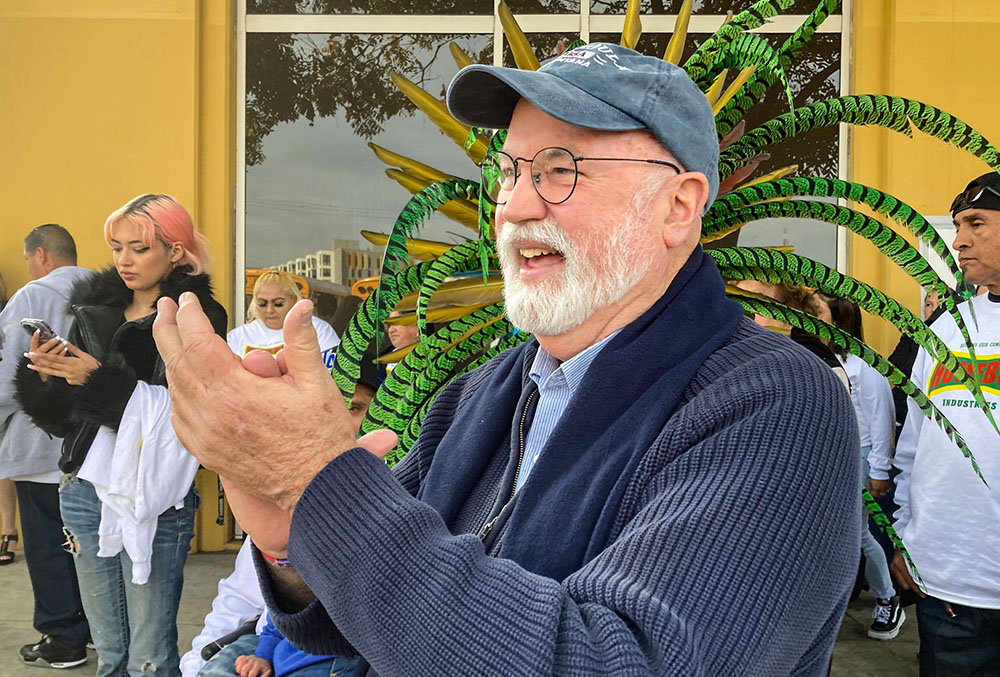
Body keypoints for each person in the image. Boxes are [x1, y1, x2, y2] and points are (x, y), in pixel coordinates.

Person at [153, 44, 860, 675]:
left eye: (561, 169)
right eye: (511, 170)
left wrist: (320, 484)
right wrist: (294, 545)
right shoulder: (480, 395)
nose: (516, 205)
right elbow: (364, 619)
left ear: (678, 207)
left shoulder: (779, 404)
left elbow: (615, 659)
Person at [16, 195, 228, 676]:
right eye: (116, 248)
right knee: (109, 654)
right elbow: (64, 422)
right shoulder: (93, 308)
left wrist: (97, 379)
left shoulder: (199, 316)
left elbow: (184, 412)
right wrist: (45, 376)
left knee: (149, 659)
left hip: (154, 497)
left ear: (176, 251)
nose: (124, 261)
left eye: (138, 248)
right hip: (84, 488)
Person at [891, 172, 1000, 675]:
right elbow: (914, 441)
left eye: (976, 222)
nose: (959, 240)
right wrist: (904, 537)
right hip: (946, 581)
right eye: (958, 225)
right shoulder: (948, 327)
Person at [0, 224, 92, 666]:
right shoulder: (106, 292)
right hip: (96, 443)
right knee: (89, 543)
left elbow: (8, 380)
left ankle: (62, 637)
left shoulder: (31, 298)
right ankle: (94, 627)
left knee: (46, 544)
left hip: (39, 446)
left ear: (40, 254)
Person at [823, 296, 903, 640]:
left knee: (858, 534)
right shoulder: (819, 360)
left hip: (860, 455)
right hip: (828, 456)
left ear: (840, 323)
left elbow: (882, 419)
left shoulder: (864, 366)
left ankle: (887, 598)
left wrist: (879, 470)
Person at [227, 269, 340, 370]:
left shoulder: (318, 329)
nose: (269, 310)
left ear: (294, 300)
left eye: (278, 304)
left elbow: (337, 373)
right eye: (262, 304)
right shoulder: (237, 336)